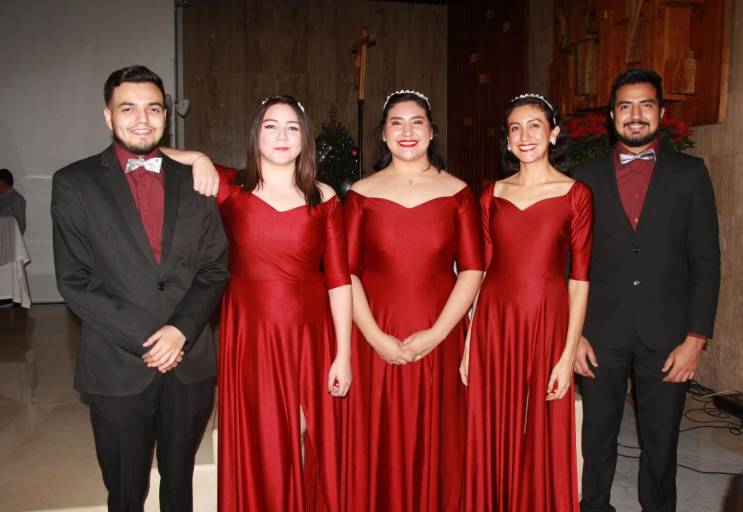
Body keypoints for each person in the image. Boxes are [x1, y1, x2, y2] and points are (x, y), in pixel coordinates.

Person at [50, 65, 230, 511]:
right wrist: (150, 338)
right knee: (126, 491)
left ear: (166, 116)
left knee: (179, 484)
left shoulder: (196, 181)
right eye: (127, 108)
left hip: (189, 363)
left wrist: (180, 331)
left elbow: (214, 268)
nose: (142, 119)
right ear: (108, 117)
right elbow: (75, 280)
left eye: (153, 108)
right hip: (116, 363)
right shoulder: (74, 183)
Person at [164, 95, 353, 511]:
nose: (282, 135)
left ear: (305, 138)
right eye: (271, 125)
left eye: (292, 127)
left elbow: (339, 280)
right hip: (249, 332)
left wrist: (344, 354)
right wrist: (197, 156)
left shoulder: (323, 198)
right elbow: (154, 150)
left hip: (311, 333)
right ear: (256, 134)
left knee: (305, 436)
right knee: (261, 434)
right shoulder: (230, 186)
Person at [572, 68, 720, 512]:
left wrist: (696, 340)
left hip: (668, 335)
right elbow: (568, 263)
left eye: (645, 105)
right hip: (598, 333)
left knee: (661, 445)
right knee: (596, 440)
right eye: (625, 106)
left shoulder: (691, 174)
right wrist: (572, 334)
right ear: (611, 116)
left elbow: (707, 263)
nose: (635, 115)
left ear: (660, 112)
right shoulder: (583, 177)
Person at [341, 90, 483, 511]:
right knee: (379, 437)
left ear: (431, 130)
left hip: (440, 332)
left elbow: (473, 269)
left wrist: (439, 334)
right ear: (382, 135)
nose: (407, 131)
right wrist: (374, 336)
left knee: (437, 437)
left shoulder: (459, 193)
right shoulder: (361, 195)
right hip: (375, 332)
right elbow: (345, 272)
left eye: (417, 121)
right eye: (396, 123)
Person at [461, 93, 593, 511]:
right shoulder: (490, 194)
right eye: (515, 128)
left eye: (534, 125)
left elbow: (580, 278)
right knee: (491, 424)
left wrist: (568, 351)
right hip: (494, 322)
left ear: (553, 133)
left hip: (548, 321)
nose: (525, 135)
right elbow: (477, 274)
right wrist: (468, 344)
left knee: (545, 426)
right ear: (507, 139)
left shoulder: (576, 195)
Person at [0, 168, 27, 234]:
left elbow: (21, 225)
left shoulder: (17, 199)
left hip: (7, 240)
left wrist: (13, 242)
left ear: (3, 183)